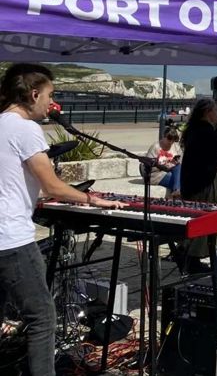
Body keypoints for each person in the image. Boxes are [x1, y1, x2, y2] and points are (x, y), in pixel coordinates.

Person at [0, 64, 125, 376]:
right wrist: (91, 199)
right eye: (50, 95)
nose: (51, 103)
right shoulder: (26, 129)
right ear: (33, 94)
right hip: (11, 238)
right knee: (42, 316)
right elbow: (53, 185)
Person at [179, 97, 217, 272]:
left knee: (196, 217)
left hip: (192, 180)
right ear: (208, 113)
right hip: (203, 182)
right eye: (215, 111)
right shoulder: (205, 130)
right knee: (205, 217)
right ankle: (193, 260)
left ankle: (190, 257)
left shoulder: (193, 129)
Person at [143, 126, 182, 197]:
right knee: (179, 181)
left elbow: (179, 163)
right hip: (157, 175)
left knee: (179, 168)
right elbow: (148, 166)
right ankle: (177, 191)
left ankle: (176, 190)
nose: (171, 142)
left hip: (170, 170)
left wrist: (174, 162)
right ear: (164, 137)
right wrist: (164, 165)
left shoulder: (176, 147)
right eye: (169, 139)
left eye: (173, 140)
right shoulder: (155, 147)